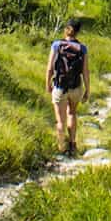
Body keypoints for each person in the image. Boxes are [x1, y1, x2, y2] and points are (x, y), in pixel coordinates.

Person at [46, 19, 91, 156]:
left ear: (66, 29)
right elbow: (85, 71)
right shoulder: (82, 48)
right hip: (75, 87)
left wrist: (48, 84)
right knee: (72, 113)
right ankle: (72, 145)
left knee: (60, 120)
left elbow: (50, 68)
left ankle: (61, 147)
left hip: (60, 86)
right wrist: (88, 89)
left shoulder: (56, 45)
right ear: (77, 32)